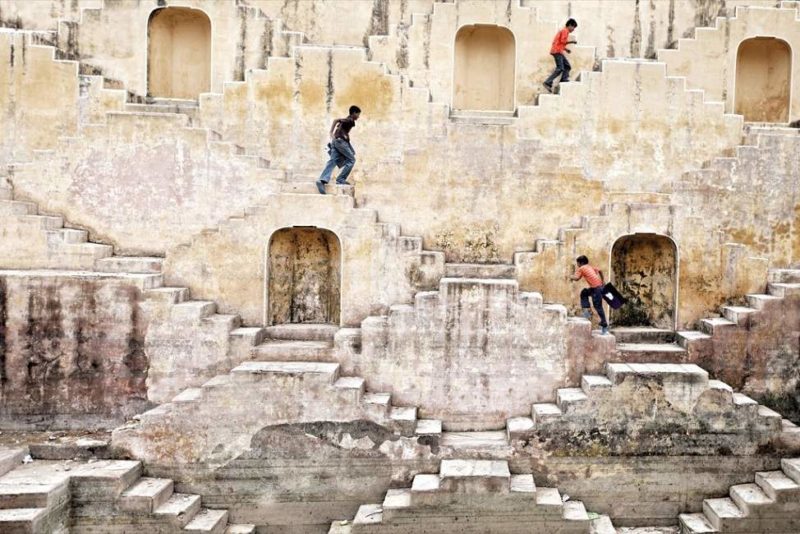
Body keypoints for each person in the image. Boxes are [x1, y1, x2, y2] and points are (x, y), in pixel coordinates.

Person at [316, 105, 361, 194]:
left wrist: (334, 136)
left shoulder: (347, 121)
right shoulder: (350, 120)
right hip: (340, 142)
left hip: (336, 141)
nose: (358, 117)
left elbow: (340, 127)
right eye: (358, 114)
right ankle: (341, 179)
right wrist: (330, 132)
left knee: (333, 161)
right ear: (354, 113)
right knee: (351, 160)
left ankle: (322, 180)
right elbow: (336, 120)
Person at [570, 255, 609, 335]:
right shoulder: (589, 267)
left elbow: (577, 278)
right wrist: (603, 281)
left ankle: (604, 325)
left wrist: (570, 277)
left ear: (581, 263)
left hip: (596, 289)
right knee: (584, 293)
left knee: (598, 307)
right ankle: (587, 310)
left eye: (578, 263)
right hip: (598, 287)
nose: (577, 265)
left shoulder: (582, 268)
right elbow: (600, 270)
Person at [543, 19, 578, 94]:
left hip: (558, 51)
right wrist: (572, 42)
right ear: (569, 25)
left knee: (567, 66)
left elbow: (560, 43)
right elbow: (562, 41)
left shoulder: (564, 31)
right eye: (573, 27)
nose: (573, 29)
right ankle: (547, 82)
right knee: (560, 68)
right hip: (557, 51)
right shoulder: (565, 31)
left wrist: (566, 49)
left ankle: (563, 79)